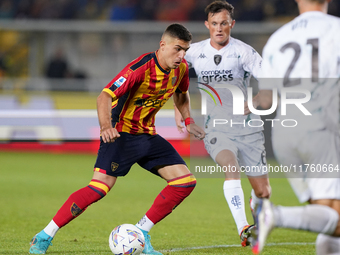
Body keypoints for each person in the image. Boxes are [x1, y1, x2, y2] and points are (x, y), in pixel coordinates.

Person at [29, 23, 205, 255]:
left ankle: (141, 232)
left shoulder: (180, 69)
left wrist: (188, 119)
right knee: (98, 188)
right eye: (177, 49)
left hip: (148, 135)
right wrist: (106, 126)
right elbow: (105, 95)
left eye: (185, 50)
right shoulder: (139, 68)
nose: (182, 55)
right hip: (120, 135)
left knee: (185, 182)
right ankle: (44, 236)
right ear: (162, 45)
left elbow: (181, 94)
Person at [174, 0, 271, 247]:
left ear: (232, 24)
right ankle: (243, 227)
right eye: (214, 24)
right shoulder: (194, 52)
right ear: (207, 25)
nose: (219, 28)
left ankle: (254, 203)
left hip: (249, 128)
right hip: (216, 128)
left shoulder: (244, 52)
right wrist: (179, 110)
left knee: (263, 192)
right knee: (231, 166)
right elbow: (174, 79)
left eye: (224, 23)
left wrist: (260, 97)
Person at [253, 0, 340, 254]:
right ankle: (275, 216)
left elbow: (266, 99)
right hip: (322, 130)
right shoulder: (335, 29)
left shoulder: (278, 38)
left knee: (326, 216)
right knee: (334, 218)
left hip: (284, 133)